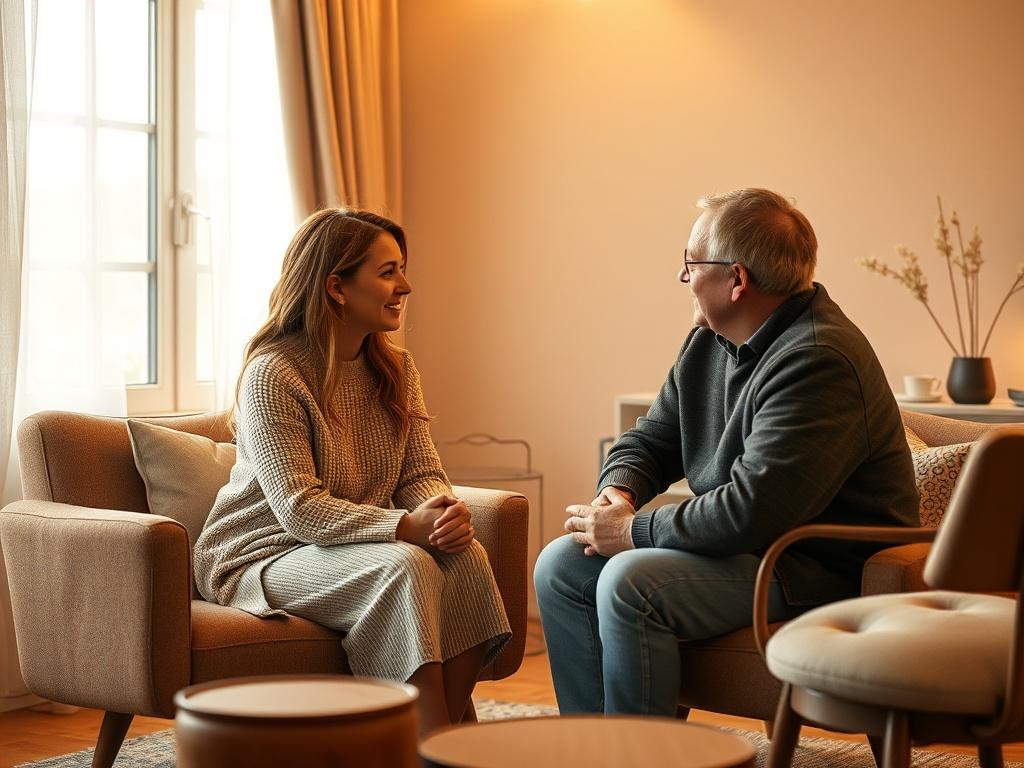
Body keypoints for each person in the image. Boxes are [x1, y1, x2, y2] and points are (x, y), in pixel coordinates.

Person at [534, 188, 918, 717]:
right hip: (742, 552)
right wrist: (614, 496)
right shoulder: (708, 342)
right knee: (562, 564)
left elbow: (751, 511)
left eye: (690, 263)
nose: (682, 277)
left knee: (631, 580)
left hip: (812, 566)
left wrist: (629, 532)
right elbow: (650, 439)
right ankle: (598, 748)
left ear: (737, 280)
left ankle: (645, 758)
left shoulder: (817, 358)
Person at [193, 208, 511, 734]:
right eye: (388, 272)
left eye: (402, 269)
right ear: (337, 287)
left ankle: (431, 743)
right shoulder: (273, 374)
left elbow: (419, 473)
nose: (404, 286)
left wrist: (441, 510)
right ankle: (431, 748)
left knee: (467, 557)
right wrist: (404, 528)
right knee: (404, 565)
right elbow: (298, 509)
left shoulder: (396, 368)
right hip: (261, 554)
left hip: (343, 546)